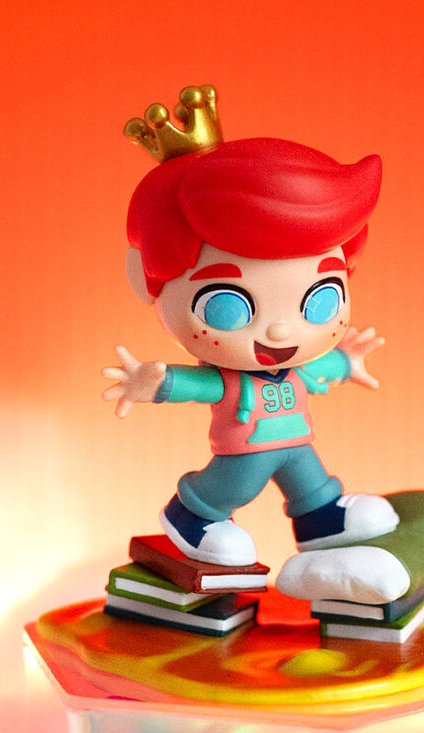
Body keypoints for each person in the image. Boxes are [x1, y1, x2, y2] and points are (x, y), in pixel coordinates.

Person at [103, 111, 399, 569]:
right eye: (228, 306)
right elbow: (195, 385)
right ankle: (193, 513)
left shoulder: (297, 367)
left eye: (320, 300)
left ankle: (320, 518)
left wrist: (346, 360)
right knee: (236, 481)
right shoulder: (229, 381)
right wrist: (153, 383)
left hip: (296, 444)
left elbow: (323, 368)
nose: (280, 332)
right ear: (143, 280)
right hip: (244, 453)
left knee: (310, 478)